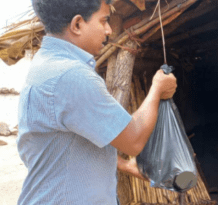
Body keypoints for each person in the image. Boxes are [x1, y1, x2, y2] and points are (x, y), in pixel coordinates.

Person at [16, 0, 177, 204]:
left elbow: (71, 141)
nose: (109, 30)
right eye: (103, 21)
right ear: (77, 25)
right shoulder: (71, 76)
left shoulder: (47, 65)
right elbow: (134, 139)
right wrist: (156, 89)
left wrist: (124, 165)